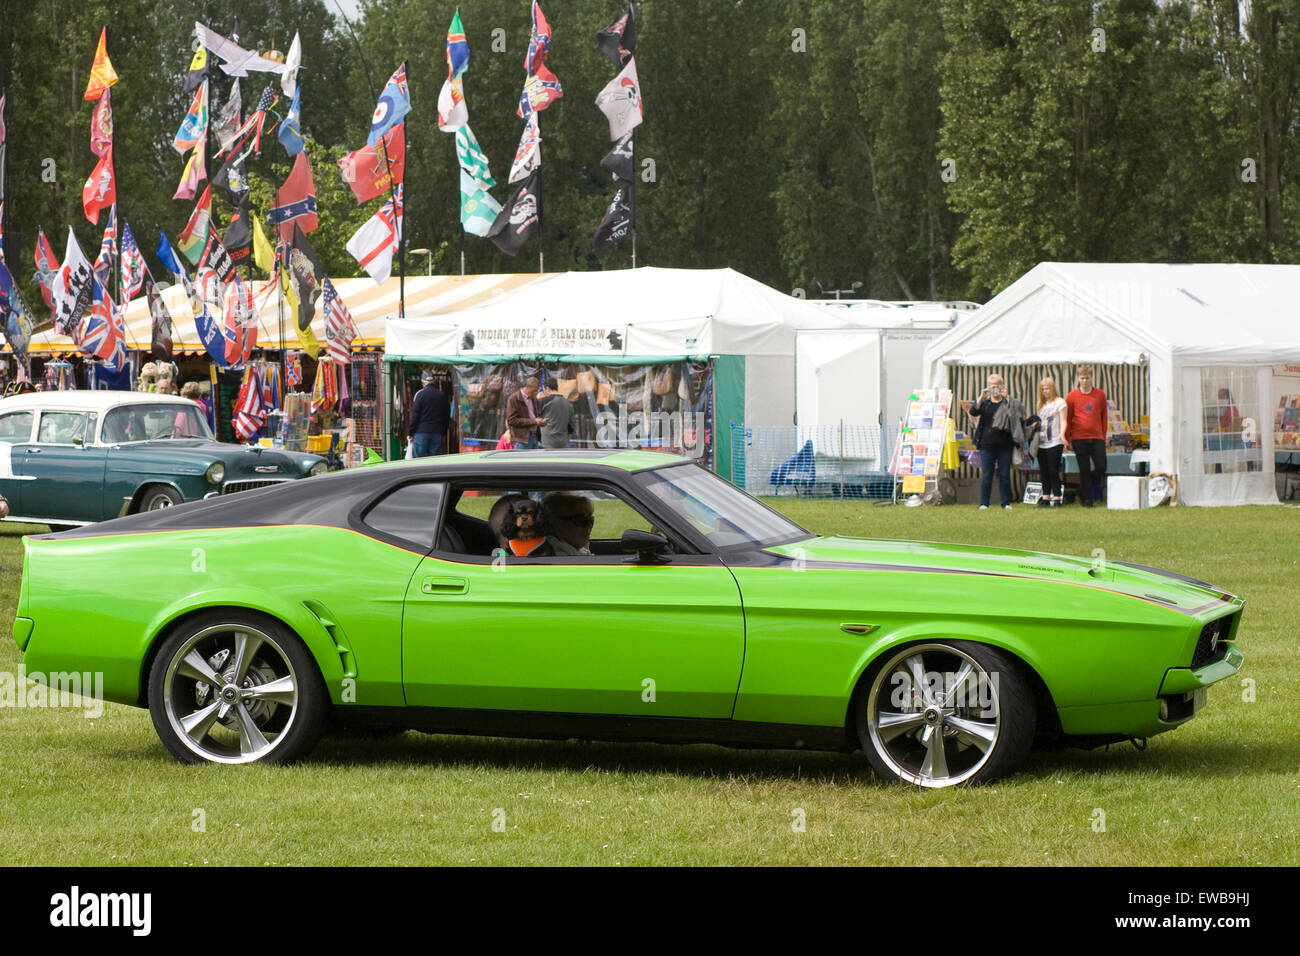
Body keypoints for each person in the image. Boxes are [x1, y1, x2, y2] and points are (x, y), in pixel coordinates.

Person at [962, 373, 1024, 510]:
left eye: (997, 387)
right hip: (987, 444)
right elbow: (973, 412)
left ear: (1002, 386)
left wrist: (1007, 398)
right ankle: (984, 503)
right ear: (988, 388)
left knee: (1004, 474)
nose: (995, 390)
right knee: (987, 474)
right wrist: (981, 397)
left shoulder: (1008, 403)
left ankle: (1006, 503)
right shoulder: (985, 403)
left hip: (1005, 444)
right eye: (992, 387)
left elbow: (1015, 416)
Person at [1065, 364, 1109, 507]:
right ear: (1078, 378)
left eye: (1087, 378)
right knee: (1083, 469)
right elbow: (1068, 418)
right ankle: (1087, 500)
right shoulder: (1072, 396)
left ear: (1092, 378)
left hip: (1097, 437)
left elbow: (1104, 416)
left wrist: (1103, 435)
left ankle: (1081, 489)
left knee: (1101, 467)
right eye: (1082, 378)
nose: (1084, 381)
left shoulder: (1100, 395)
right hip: (1079, 438)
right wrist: (1067, 438)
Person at [1035, 377, 1068, 508]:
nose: (1045, 391)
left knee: (1053, 470)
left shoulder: (1060, 402)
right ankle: (1046, 497)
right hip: (1042, 441)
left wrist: (1062, 433)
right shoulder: (1041, 404)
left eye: (1047, 388)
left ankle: (1058, 497)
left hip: (1055, 441)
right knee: (1044, 471)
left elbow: (1064, 420)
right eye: (1043, 389)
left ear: (1052, 388)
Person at [407, 370, 451, 457]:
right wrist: (443, 432)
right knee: (434, 462)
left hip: (421, 433)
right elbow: (446, 417)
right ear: (433, 381)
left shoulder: (420, 395)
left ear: (423, 382)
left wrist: (410, 432)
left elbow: (415, 415)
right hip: (437, 433)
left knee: (419, 462)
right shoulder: (442, 396)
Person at [543, 491, 595, 555]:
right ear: (557, 523)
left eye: (591, 520)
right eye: (581, 520)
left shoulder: (573, 550)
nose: (589, 525)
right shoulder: (559, 556)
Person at [505, 376, 548, 450]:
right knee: (522, 461)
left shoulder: (534, 399)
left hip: (534, 437)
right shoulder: (514, 399)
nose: (536, 393)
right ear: (527, 387)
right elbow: (511, 420)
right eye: (534, 390)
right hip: (521, 440)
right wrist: (534, 421)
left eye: (536, 391)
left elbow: (533, 416)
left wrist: (540, 422)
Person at [539, 384, 574, 449]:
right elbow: (571, 425)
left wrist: (537, 399)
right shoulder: (568, 403)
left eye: (543, 390)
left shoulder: (544, 401)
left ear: (547, 388)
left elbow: (534, 417)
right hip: (563, 441)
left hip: (547, 442)